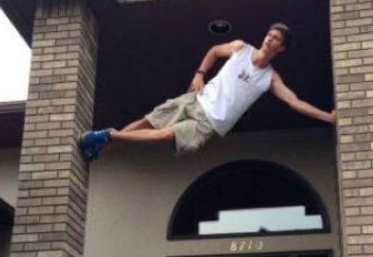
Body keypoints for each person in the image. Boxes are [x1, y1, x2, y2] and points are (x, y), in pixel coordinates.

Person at [80, 23, 336, 161]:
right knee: (148, 122)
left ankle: (108, 135)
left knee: (164, 135)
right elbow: (214, 50)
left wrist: (329, 117)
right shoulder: (240, 48)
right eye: (269, 35)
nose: (270, 39)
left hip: (209, 124)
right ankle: (100, 145)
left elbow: (295, 103)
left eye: (276, 39)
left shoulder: (270, 78)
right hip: (196, 99)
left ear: (281, 48)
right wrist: (200, 73)